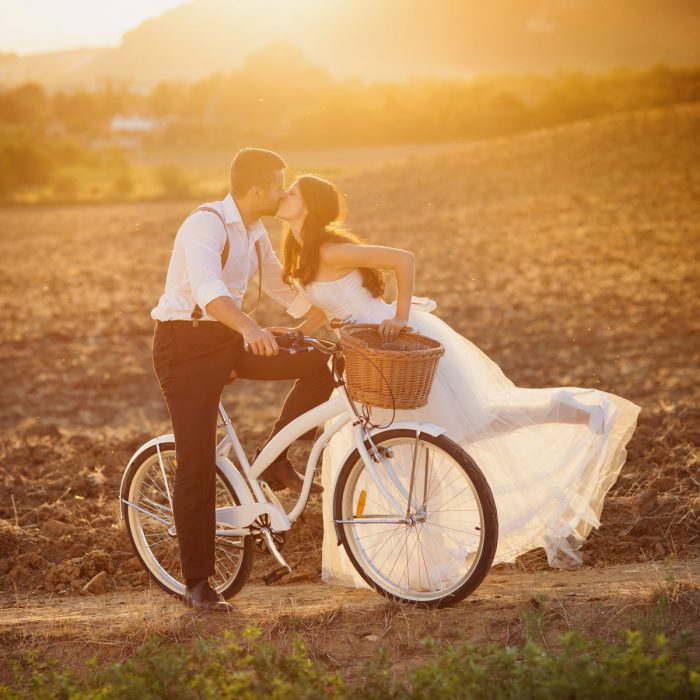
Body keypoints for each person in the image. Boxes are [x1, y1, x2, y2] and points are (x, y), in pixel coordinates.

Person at [273, 174, 642, 588]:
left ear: (310, 206)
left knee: (468, 428)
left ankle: (580, 411)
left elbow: (403, 259)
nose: (282, 197)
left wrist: (398, 317)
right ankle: (417, 566)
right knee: (403, 454)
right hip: (362, 358)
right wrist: (297, 331)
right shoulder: (301, 250)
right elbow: (328, 305)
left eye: (291, 193)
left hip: (389, 346)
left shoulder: (330, 247)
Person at [150, 149, 329, 612]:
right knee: (197, 462)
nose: (283, 192)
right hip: (185, 347)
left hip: (227, 338)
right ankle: (197, 583)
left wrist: (320, 314)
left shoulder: (254, 230)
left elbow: (276, 281)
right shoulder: (204, 225)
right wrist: (249, 328)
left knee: (320, 364)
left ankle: (276, 459)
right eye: (278, 185)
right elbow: (209, 291)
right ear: (255, 190)